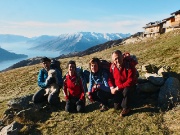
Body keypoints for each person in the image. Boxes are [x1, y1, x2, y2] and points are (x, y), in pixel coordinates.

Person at [108, 50, 137, 117]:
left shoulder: (129, 65)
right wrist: (112, 87)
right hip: (118, 88)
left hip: (128, 87)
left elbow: (130, 81)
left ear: (122, 56)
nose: (117, 60)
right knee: (116, 107)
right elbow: (110, 79)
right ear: (113, 60)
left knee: (126, 91)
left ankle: (126, 108)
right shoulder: (112, 67)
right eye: (115, 59)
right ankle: (124, 102)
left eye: (119, 58)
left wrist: (117, 87)